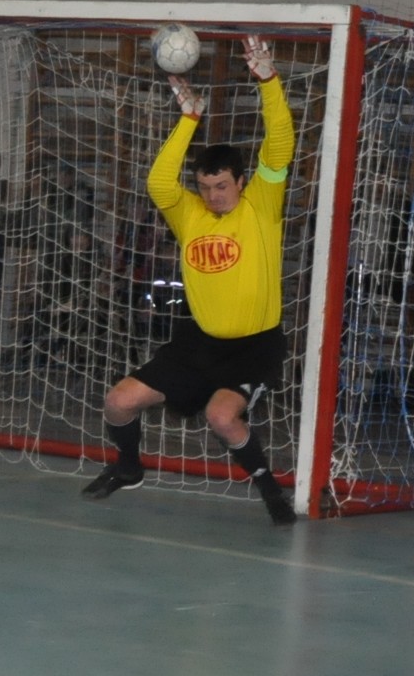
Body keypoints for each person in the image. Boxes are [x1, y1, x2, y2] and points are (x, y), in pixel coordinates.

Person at [83, 34, 297, 524]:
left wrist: (268, 81)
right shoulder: (189, 214)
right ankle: (129, 467)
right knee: (118, 402)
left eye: (221, 186)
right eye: (204, 187)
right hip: (198, 342)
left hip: (254, 345)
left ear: (241, 182)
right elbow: (159, 183)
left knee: (222, 417)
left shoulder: (261, 206)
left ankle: (271, 492)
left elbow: (280, 142)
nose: (213, 195)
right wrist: (188, 119)